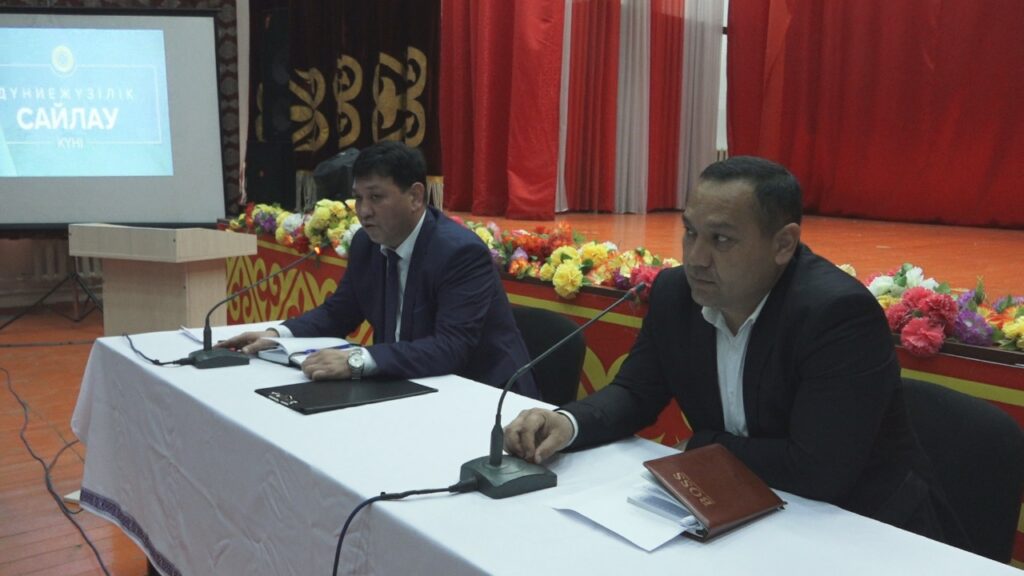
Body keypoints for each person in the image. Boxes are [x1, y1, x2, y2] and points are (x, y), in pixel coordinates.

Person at [503, 156, 964, 543]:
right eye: (690, 233)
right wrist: (568, 422)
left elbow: (818, 470)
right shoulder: (676, 293)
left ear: (783, 244)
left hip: (861, 527)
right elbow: (635, 391)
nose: (696, 258)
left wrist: (703, 447)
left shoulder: (835, 314)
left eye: (721, 240)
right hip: (739, 508)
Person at [220, 141, 538, 399]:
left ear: (415, 197)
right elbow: (339, 312)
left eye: (376, 197)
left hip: (483, 395)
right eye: (358, 198)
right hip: (409, 385)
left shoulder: (459, 253)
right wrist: (277, 335)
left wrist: (359, 360)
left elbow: (451, 347)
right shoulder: (366, 243)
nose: (363, 211)